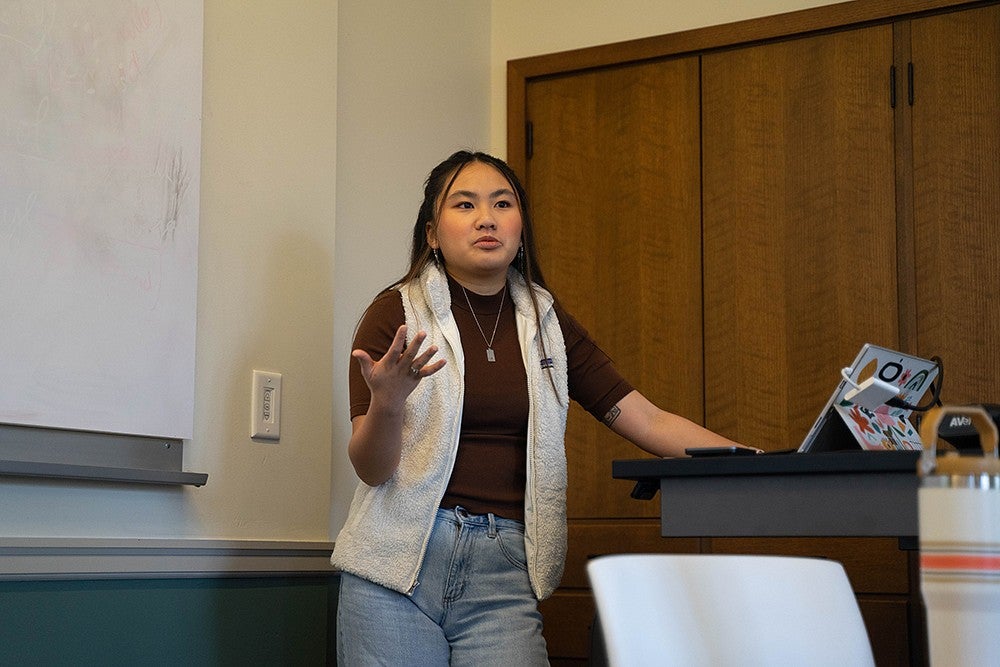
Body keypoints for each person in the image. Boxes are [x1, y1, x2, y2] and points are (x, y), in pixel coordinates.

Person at [332, 150, 752, 666]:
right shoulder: (395, 313)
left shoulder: (547, 320)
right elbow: (371, 469)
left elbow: (645, 418)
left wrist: (754, 460)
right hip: (394, 569)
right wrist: (389, 404)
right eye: (464, 205)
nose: (486, 217)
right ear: (433, 235)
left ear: (520, 227)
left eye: (502, 203)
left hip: (505, 566)